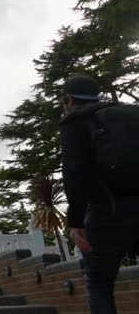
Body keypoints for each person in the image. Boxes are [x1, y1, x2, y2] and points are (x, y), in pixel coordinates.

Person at [59, 75, 139, 313]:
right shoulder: (132, 113)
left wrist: (75, 221)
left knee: (100, 285)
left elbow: (76, 174)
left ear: (70, 100)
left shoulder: (76, 121)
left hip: (109, 208)